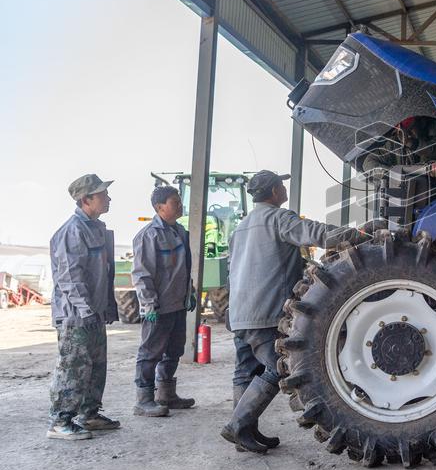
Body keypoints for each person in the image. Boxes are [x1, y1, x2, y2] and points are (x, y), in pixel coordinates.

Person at [221, 170, 360, 453]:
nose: (284, 189)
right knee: (277, 368)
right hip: (266, 312)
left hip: (239, 313)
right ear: (274, 192)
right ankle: (237, 426)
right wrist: (356, 234)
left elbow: (232, 269)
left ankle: (245, 433)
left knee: (245, 371)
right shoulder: (279, 219)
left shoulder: (242, 226)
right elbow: (318, 234)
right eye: (281, 185)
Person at [47, 174, 120, 440]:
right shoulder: (72, 231)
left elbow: (103, 273)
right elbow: (69, 277)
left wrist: (105, 307)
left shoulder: (96, 228)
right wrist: (86, 309)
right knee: (73, 367)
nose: (108, 198)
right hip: (75, 316)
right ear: (86, 199)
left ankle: (88, 414)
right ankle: (59, 421)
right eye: (102, 194)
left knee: (96, 365)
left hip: (94, 312)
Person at [131, 186, 197, 417]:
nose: (180, 205)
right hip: (158, 308)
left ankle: (166, 393)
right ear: (160, 207)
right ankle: (143, 400)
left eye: (179, 201)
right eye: (174, 202)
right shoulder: (149, 236)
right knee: (151, 352)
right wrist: (148, 304)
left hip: (177, 304)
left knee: (174, 350)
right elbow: (142, 274)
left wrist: (190, 292)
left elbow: (183, 268)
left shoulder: (179, 231)